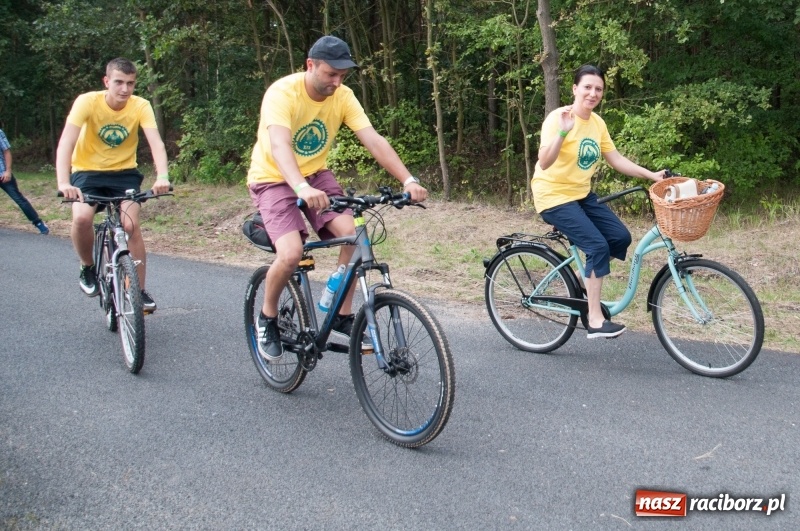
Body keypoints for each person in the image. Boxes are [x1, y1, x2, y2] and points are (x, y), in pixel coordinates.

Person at [247, 35, 427, 362]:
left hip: (316, 175)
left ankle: (341, 313)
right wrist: (300, 188)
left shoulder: (343, 96)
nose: (337, 82)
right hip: (273, 178)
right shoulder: (282, 93)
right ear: (310, 65)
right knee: (291, 254)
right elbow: (279, 146)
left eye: (343, 75)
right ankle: (268, 317)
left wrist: (408, 179)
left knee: (356, 236)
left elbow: (372, 139)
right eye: (331, 74)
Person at [531, 64, 666, 339]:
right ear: (575, 89)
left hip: (580, 195)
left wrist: (651, 175)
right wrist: (563, 132)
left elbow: (616, 160)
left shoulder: (597, 123)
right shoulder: (559, 118)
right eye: (588, 87)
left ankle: (581, 283)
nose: (593, 93)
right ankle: (593, 319)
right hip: (553, 196)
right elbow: (544, 163)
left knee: (619, 237)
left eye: (598, 89)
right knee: (597, 246)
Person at [56, 57, 170, 313]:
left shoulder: (141, 105)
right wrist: (64, 182)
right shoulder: (87, 102)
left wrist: (162, 176)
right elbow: (66, 142)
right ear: (106, 82)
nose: (125, 89)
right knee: (83, 219)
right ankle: (87, 267)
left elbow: (156, 143)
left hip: (124, 174)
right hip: (87, 172)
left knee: (130, 224)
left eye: (130, 83)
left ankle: (138, 291)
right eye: (119, 82)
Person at [0, 128, 50, 235]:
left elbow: (6, 151)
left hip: (3, 174)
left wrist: (8, 171)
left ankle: (39, 224)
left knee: (19, 199)